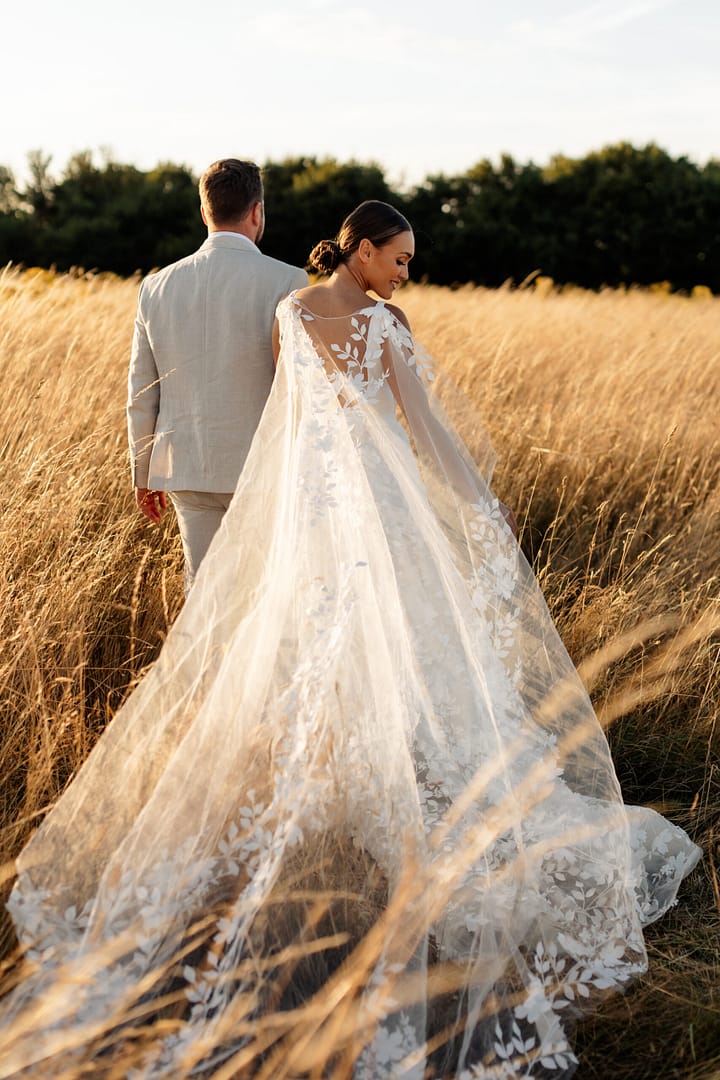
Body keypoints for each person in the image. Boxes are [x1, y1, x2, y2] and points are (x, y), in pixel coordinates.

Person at [1, 202, 701, 1078]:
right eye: (400, 257)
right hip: (369, 508)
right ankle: (368, 799)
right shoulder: (370, 324)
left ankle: (344, 787)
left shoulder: (295, 314)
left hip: (314, 508)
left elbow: (292, 421)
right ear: (362, 250)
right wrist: (479, 502)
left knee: (323, 651)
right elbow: (426, 431)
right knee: (385, 652)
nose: (408, 271)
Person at [127, 157, 308, 592]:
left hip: (186, 466)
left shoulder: (156, 286)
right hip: (263, 466)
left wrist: (141, 471)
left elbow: (141, 392)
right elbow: (298, 386)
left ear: (205, 212)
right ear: (257, 211)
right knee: (263, 598)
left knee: (204, 593)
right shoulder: (289, 280)